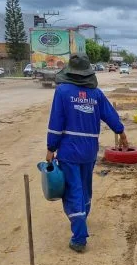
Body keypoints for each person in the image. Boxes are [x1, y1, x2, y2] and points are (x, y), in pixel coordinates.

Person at [46, 54, 129, 253]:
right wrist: (121, 132)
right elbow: (110, 115)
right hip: (89, 150)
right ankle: (82, 216)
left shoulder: (62, 92)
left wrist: (50, 148)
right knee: (84, 186)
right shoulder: (96, 94)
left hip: (69, 150)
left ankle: (79, 237)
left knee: (73, 189)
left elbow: (56, 123)